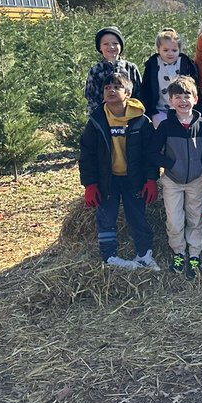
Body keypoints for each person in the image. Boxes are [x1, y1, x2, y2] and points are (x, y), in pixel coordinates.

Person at [79, 70, 159, 270]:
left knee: (137, 216)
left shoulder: (142, 120)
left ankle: (145, 254)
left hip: (134, 178)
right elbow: (87, 154)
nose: (111, 91)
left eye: (117, 87)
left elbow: (150, 153)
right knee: (106, 216)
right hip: (108, 180)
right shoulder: (96, 121)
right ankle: (110, 257)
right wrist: (90, 184)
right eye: (107, 88)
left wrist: (151, 179)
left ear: (128, 94)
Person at [150, 75, 202, 279]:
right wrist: (171, 164)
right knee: (175, 221)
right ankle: (178, 252)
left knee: (195, 218)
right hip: (172, 181)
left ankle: (194, 255)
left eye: (187, 95)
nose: (183, 100)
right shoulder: (166, 126)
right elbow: (152, 152)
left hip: (197, 179)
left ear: (195, 99)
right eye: (177, 96)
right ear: (171, 101)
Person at [142, 28, 198, 127]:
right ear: (158, 49)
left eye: (174, 50)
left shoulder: (186, 63)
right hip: (160, 109)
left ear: (179, 50)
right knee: (160, 129)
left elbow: (194, 85)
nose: (170, 53)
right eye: (165, 50)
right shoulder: (153, 64)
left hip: (182, 108)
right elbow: (146, 88)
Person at [84, 25, 143, 115]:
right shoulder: (95, 70)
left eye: (115, 43)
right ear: (100, 47)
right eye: (106, 44)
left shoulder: (130, 68)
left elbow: (139, 92)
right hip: (104, 115)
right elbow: (91, 96)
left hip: (129, 115)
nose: (111, 47)